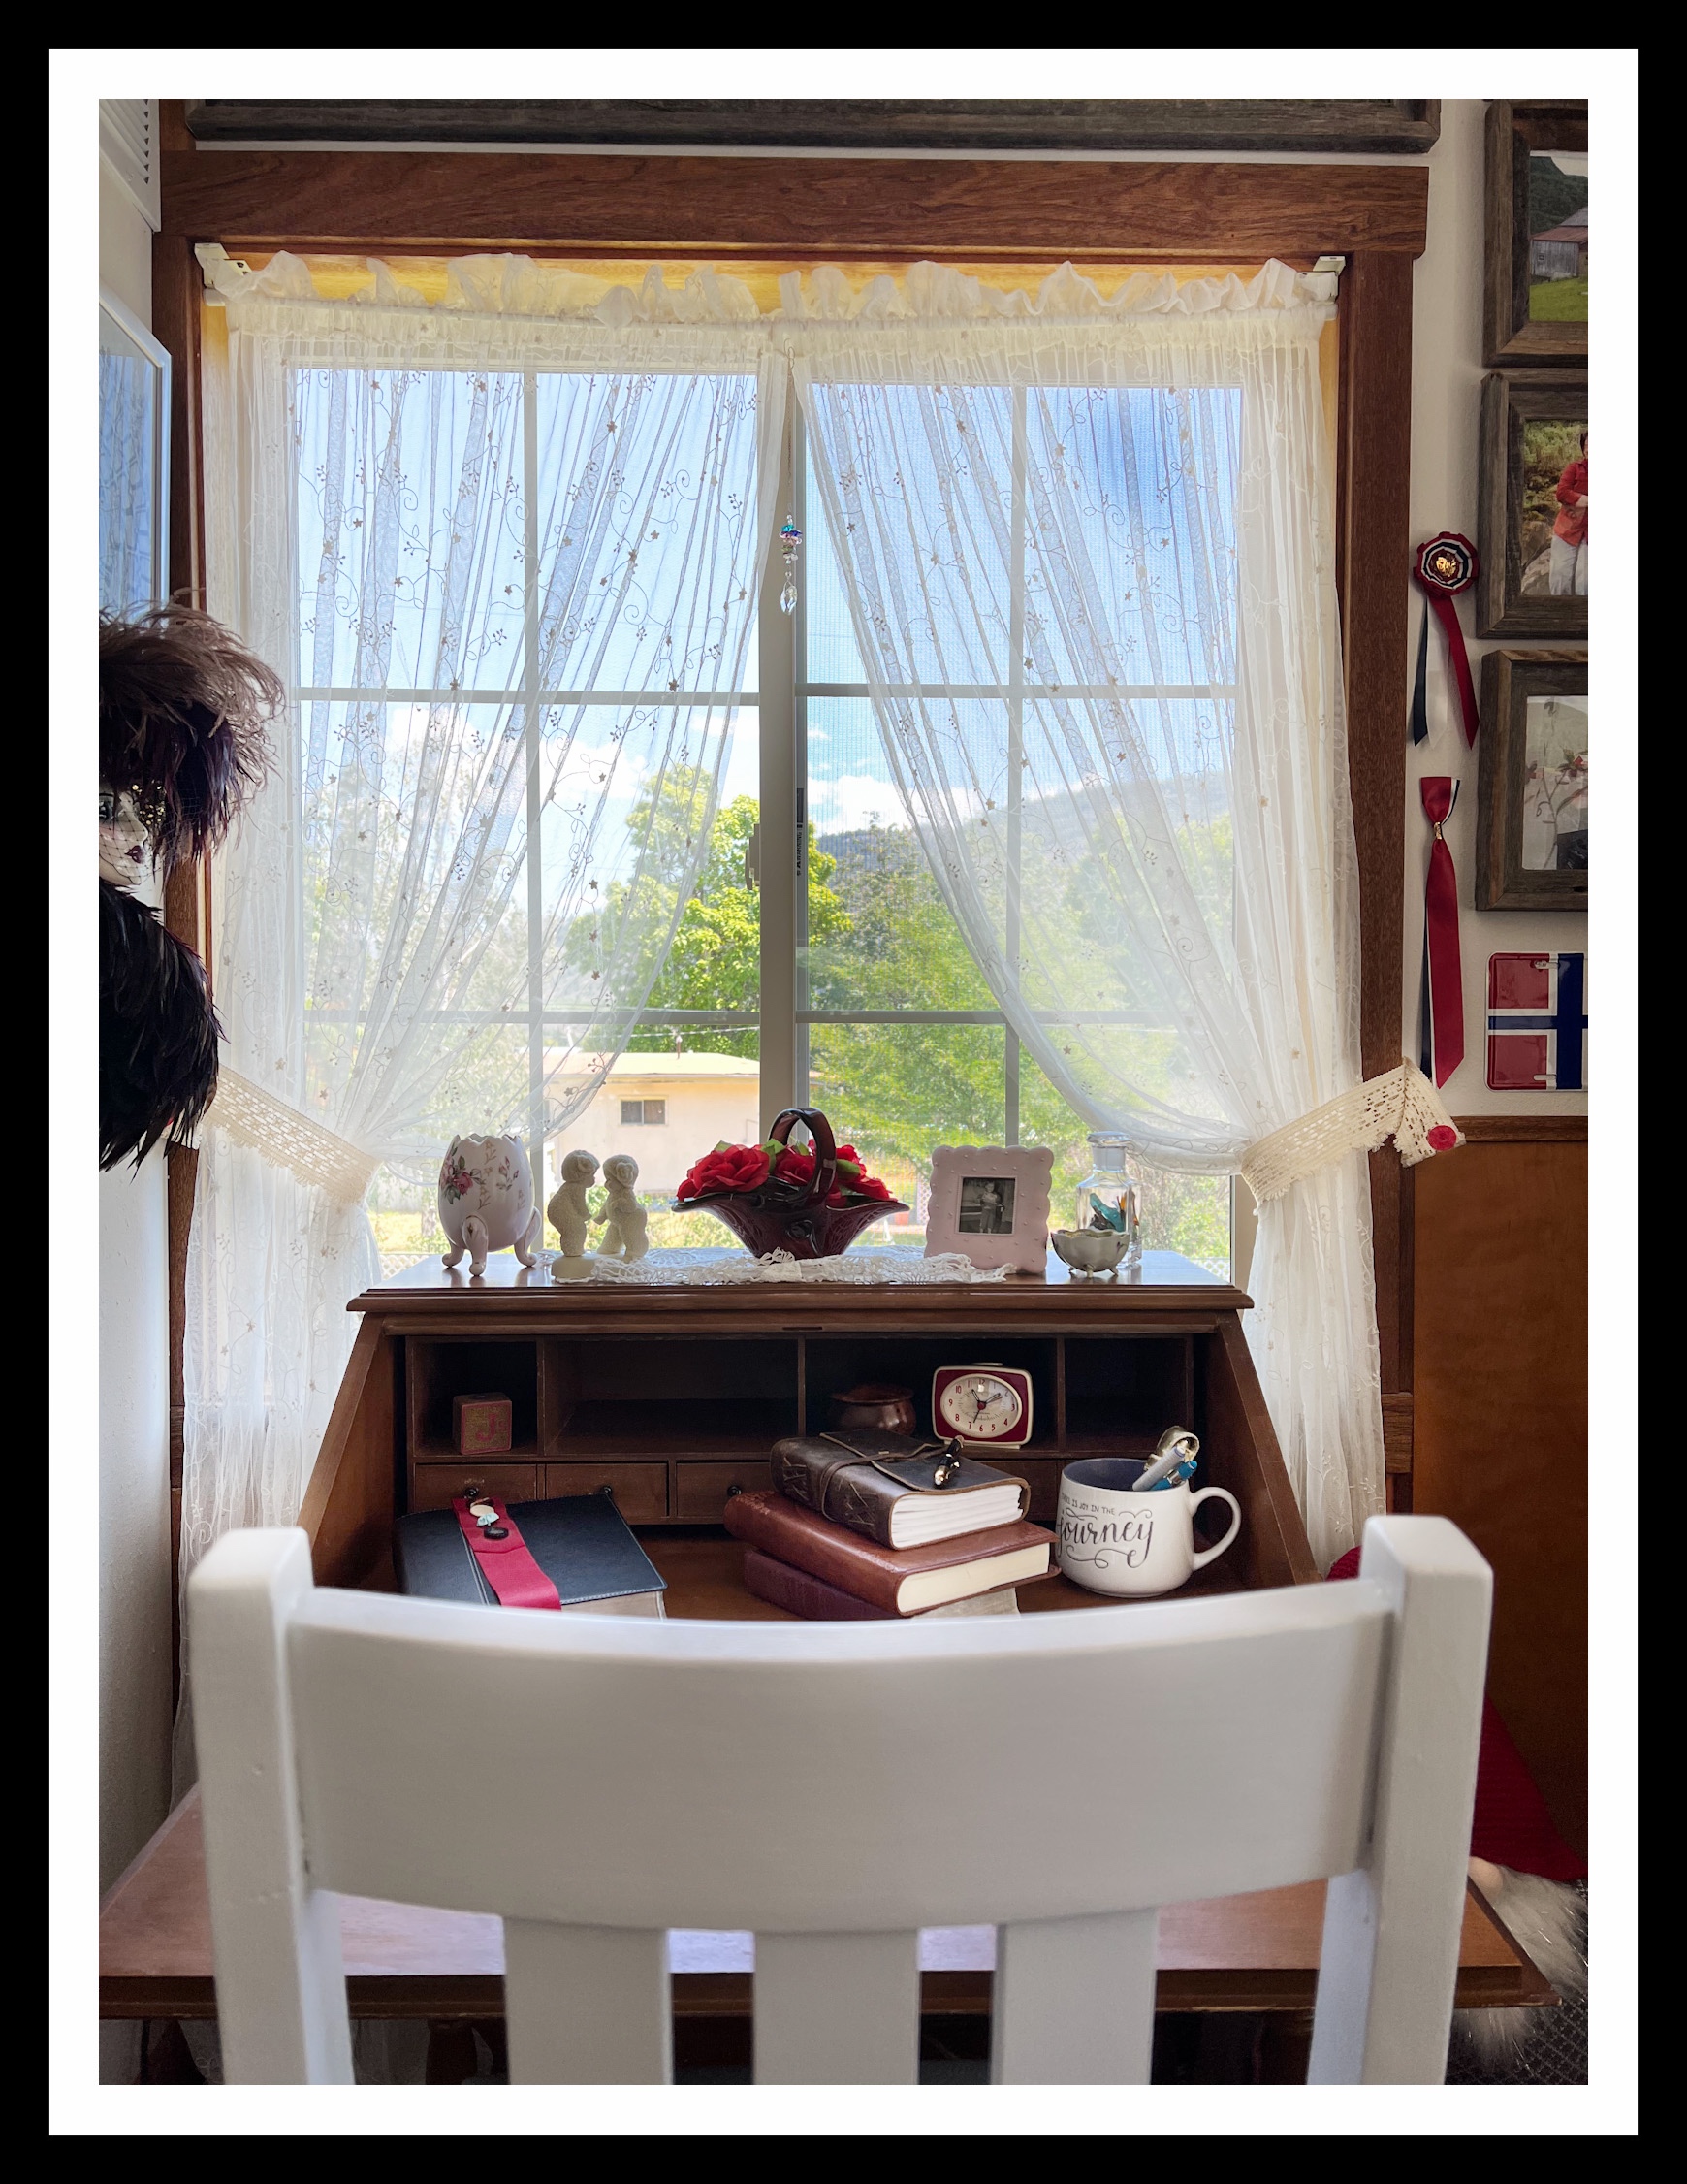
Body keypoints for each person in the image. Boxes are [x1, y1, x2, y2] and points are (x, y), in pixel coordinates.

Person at [1549, 430, 1588, 596]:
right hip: (1566, 531)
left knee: (1585, 585)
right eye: (1587, 445)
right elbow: (1562, 493)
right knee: (1559, 580)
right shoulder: (1574, 468)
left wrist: (1578, 500)